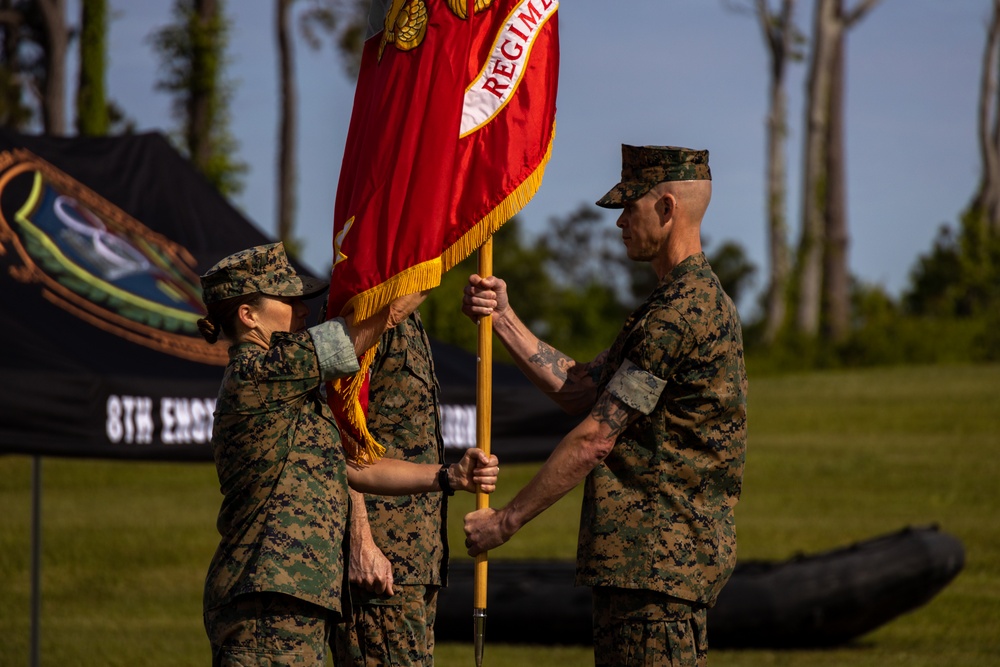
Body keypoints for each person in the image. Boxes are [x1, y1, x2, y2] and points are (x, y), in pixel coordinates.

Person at [461, 145, 747, 666]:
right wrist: (503, 318)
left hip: (656, 572)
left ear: (666, 208)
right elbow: (580, 388)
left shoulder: (679, 315)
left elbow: (596, 436)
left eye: (628, 206)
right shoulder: (674, 304)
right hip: (646, 573)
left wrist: (505, 522)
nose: (619, 222)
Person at [196, 242, 498, 666]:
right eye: (288, 301)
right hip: (265, 602)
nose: (302, 311)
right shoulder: (258, 374)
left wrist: (448, 477)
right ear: (248, 316)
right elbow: (376, 322)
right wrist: (440, 249)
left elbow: (356, 466)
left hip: (294, 600)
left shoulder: (290, 390)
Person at [332, 310, 446, 666]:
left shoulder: (408, 320)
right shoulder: (364, 310)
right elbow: (340, 433)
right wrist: (360, 541)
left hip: (417, 563)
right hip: (380, 570)